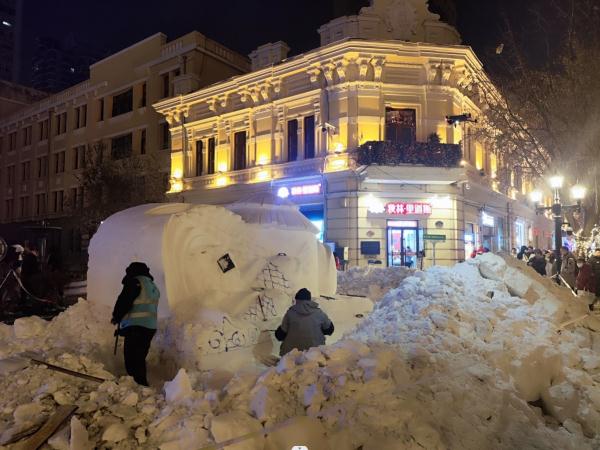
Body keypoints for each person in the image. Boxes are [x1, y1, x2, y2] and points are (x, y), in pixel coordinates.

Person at [111, 262, 159, 386]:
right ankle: (139, 383)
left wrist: (117, 316)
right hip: (150, 327)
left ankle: (138, 384)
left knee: (132, 357)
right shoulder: (151, 285)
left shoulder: (135, 282)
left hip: (136, 326)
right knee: (139, 356)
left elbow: (124, 301)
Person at [275, 288, 334, 356]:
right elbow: (330, 330)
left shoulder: (290, 313)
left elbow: (280, 335)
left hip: (291, 356)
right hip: (314, 354)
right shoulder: (319, 313)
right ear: (309, 299)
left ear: (297, 300)